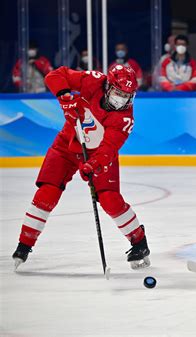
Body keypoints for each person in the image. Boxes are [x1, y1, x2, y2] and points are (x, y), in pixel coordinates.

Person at [11, 64, 151, 270]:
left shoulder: (125, 119)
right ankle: (24, 245)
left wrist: (93, 165)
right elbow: (55, 75)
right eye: (118, 93)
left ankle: (139, 242)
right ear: (107, 86)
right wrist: (64, 97)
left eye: (126, 95)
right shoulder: (92, 80)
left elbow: (108, 149)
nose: (121, 100)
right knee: (46, 193)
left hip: (97, 155)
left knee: (110, 199)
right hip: (66, 145)